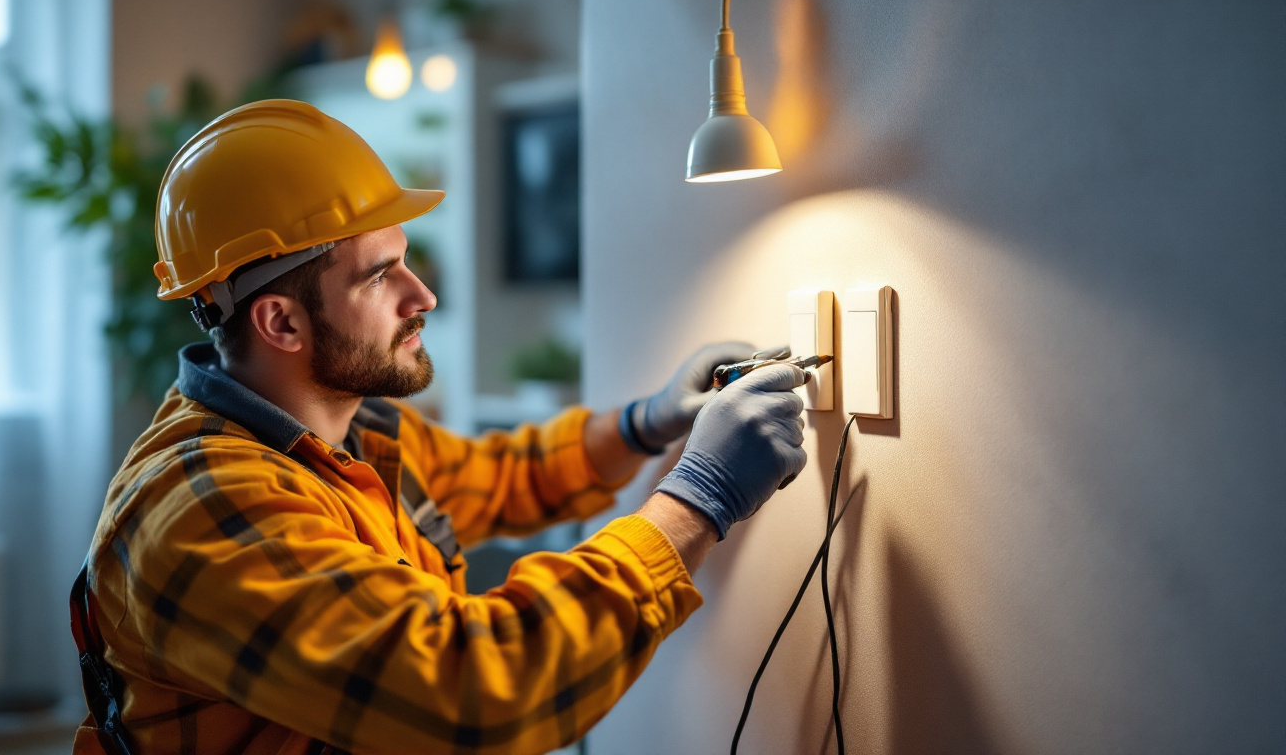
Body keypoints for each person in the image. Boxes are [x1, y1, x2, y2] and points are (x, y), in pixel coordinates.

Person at [72, 100, 808, 755]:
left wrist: (649, 422)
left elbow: (508, 475)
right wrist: (698, 498)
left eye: (407, 260)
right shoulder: (206, 509)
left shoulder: (357, 434)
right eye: (377, 275)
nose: (421, 295)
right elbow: (476, 691)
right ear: (282, 321)